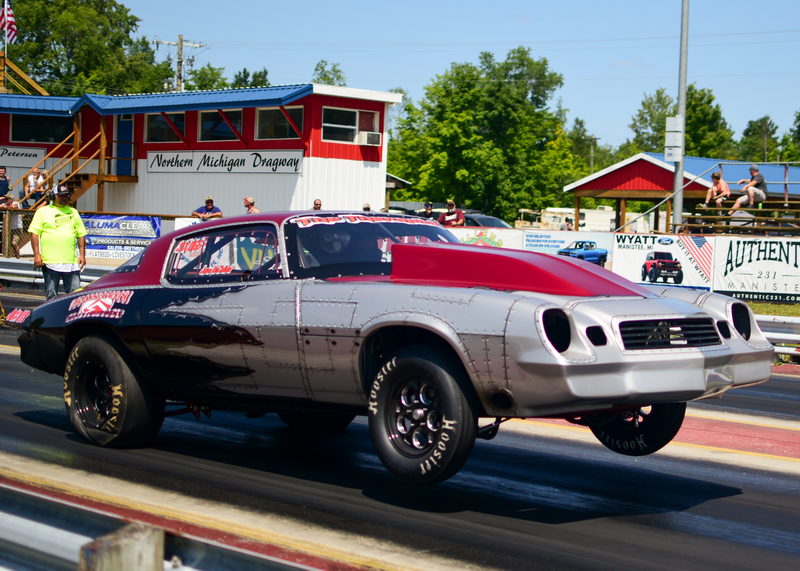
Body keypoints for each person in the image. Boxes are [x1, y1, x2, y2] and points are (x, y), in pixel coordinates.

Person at [28, 184, 87, 300]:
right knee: (51, 294)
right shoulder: (42, 212)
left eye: (66, 196)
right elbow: (34, 233)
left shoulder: (73, 212)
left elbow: (81, 234)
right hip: (50, 261)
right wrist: (36, 255)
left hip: (71, 262)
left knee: (74, 295)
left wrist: (82, 255)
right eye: (61, 196)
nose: (64, 198)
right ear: (53, 196)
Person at [1, 193, 24, 258]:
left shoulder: (16, 203)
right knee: (9, 243)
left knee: (14, 243)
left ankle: (18, 256)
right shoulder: (5, 204)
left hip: (17, 227)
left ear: (11, 199)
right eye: (5, 198)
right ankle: (11, 255)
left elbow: (13, 207)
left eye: (7, 198)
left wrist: (6, 207)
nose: (6, 200)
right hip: (9, 228)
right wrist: (2, 199)